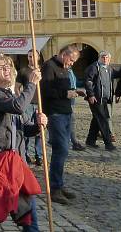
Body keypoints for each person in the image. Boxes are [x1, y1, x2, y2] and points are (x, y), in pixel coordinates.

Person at [0, 54, 47, 232]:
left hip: (16, 161)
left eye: (8, 65)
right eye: (1, 66)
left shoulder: (13, 95)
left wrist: (38, 125)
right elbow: (18, 107)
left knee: (28, 214)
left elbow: (24, 129)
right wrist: (31, 84)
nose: (6, 68)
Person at [40, 44, 80, 205]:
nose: (71, 64)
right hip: (55, 114)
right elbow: (46, 91)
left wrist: (73, 92)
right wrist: (66, 93)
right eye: (71, 60)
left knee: (63, 150)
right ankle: (54, 188)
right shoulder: (49, 67)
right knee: (61, 149)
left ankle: (59, 184)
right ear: (64, 54)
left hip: (66, 112)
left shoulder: (64, 68)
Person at [84, 51, 115, 151]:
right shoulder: (94, 67)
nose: (105, 59)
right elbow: (88, 82)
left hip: (105, 98)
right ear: (99, 58)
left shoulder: (109, 68)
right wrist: (91, 95)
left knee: (97, 119)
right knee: (103, 119)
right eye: (103, 57)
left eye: (107, 58)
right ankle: (108, 143)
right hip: (96, 98)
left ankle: (90, 140)